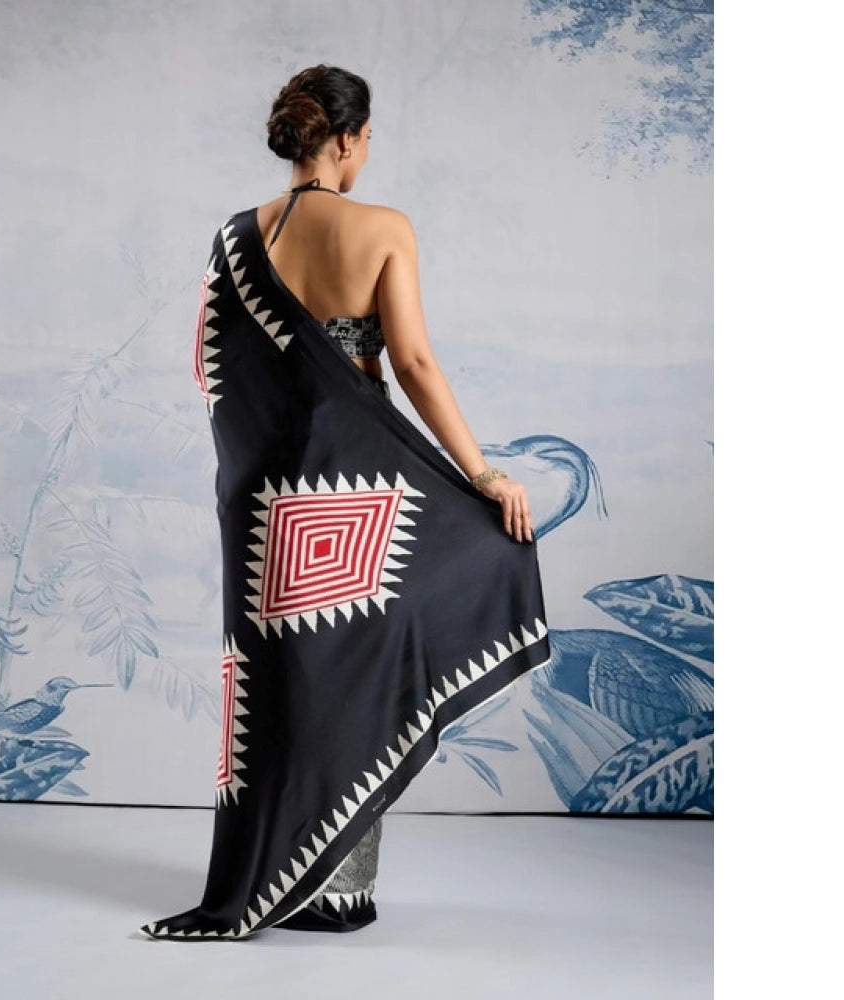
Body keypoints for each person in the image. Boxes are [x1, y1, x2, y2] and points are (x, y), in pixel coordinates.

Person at [139, 64, 549, 942]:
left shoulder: (233, 236)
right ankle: (336, 890)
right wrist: (483, 476)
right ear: (346, 140)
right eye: (366, 140)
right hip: (358, 483)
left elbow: (209, 366)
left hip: (264, 494)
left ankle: (272, 876)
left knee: (282, 680)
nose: (367, 154)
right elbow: (414, 363)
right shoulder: (384, 228)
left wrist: (250, 464)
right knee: (356, 669)